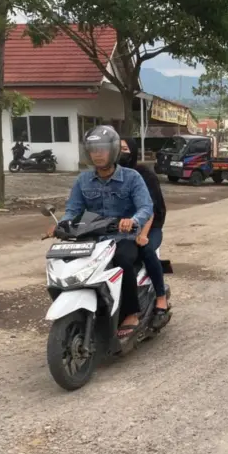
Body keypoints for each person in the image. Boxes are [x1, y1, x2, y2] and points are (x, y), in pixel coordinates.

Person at [60, 125, 154, 339]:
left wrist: (133, 221)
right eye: (93, 150)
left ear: (113, 151)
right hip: (92, 238)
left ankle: (131, 313)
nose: (98, 154)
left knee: (122, 261)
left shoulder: (132, 177)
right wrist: (63, 224)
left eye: (102, 149)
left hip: (123, 238)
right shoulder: (83, 180)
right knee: (71, 263)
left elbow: (146, 207)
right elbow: (73, 210)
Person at [118, 137, 169, 320]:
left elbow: (150, 209)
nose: (121, 152)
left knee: (145, 250)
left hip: (150, 226)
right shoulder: (112, 174)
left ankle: (161, 297)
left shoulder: (144, 175)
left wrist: (143, 235)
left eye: (125, 149)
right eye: (117, 148)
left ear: (132, 151)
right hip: (122, 227)